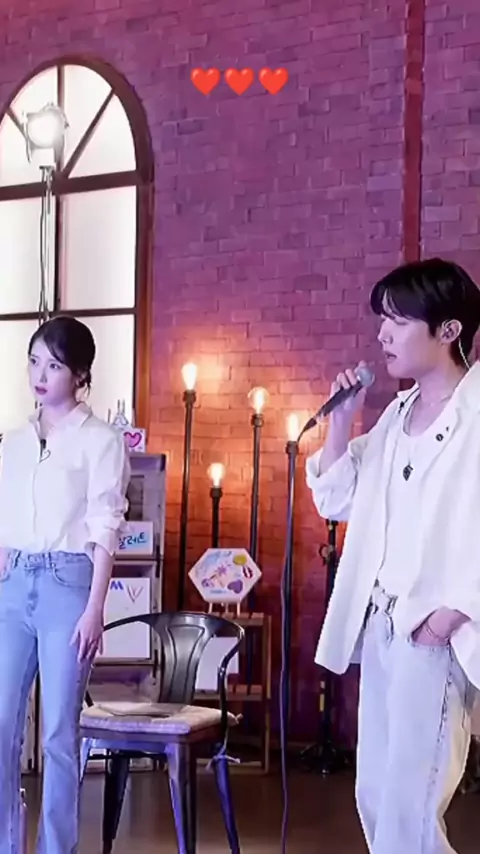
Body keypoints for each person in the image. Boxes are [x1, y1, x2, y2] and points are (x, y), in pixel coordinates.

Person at [306, 258, 480, 854]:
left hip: (432, 628)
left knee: (413, 803)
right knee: (376, 795)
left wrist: (450, 614)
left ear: (448, 330)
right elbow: (336, 498)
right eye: (382, 320)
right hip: (383, 623)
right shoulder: (398, 414)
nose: (382, 334)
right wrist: (340, 422)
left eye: (398, 321)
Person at [0, 315, 131, 854]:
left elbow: (106, 528)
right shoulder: (13, 440)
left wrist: (95, 608)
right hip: (13, 586)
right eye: (34, 362)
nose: (40, 375)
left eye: (53, 365)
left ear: (79, 374)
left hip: (69, 584)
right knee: (1, 725)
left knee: (58, 732)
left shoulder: (101, 441)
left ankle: (57, 848)